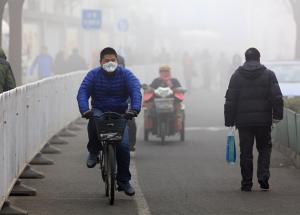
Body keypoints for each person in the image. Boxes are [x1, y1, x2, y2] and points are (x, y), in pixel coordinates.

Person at [77, 47, 141, 196]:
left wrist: (135, 108)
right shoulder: (93, 75)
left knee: (124, 146)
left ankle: (123, 180)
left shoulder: (126, 74)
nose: (110, 62)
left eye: (113, 60)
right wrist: (85, 109)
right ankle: (94, 151)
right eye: (107, 60)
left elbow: (135, 91)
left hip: (120, 112)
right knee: (94, 119)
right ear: (100, 62)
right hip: (100, 109)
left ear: (117, 61)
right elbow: (83, 92)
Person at [224, 48, 283, 192]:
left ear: (245, 58)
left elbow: (230, 101)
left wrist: (229, 121)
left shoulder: (236, 76)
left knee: (246, 152)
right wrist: (277, 115)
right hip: (263, 121)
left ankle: (246, 183)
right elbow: (277, 97)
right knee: (264, 148)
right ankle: (263, 177)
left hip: (243, 122)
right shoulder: (269, 75)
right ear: (259, 58)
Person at [117, 54, 137, 151]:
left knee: (131, 122)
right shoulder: (101, 76)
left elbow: (134, 91)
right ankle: (95, 149)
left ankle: (131, 144)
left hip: (124, 108)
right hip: (106, 109)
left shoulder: (128, 77)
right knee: (95, 123)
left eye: (120, 65)